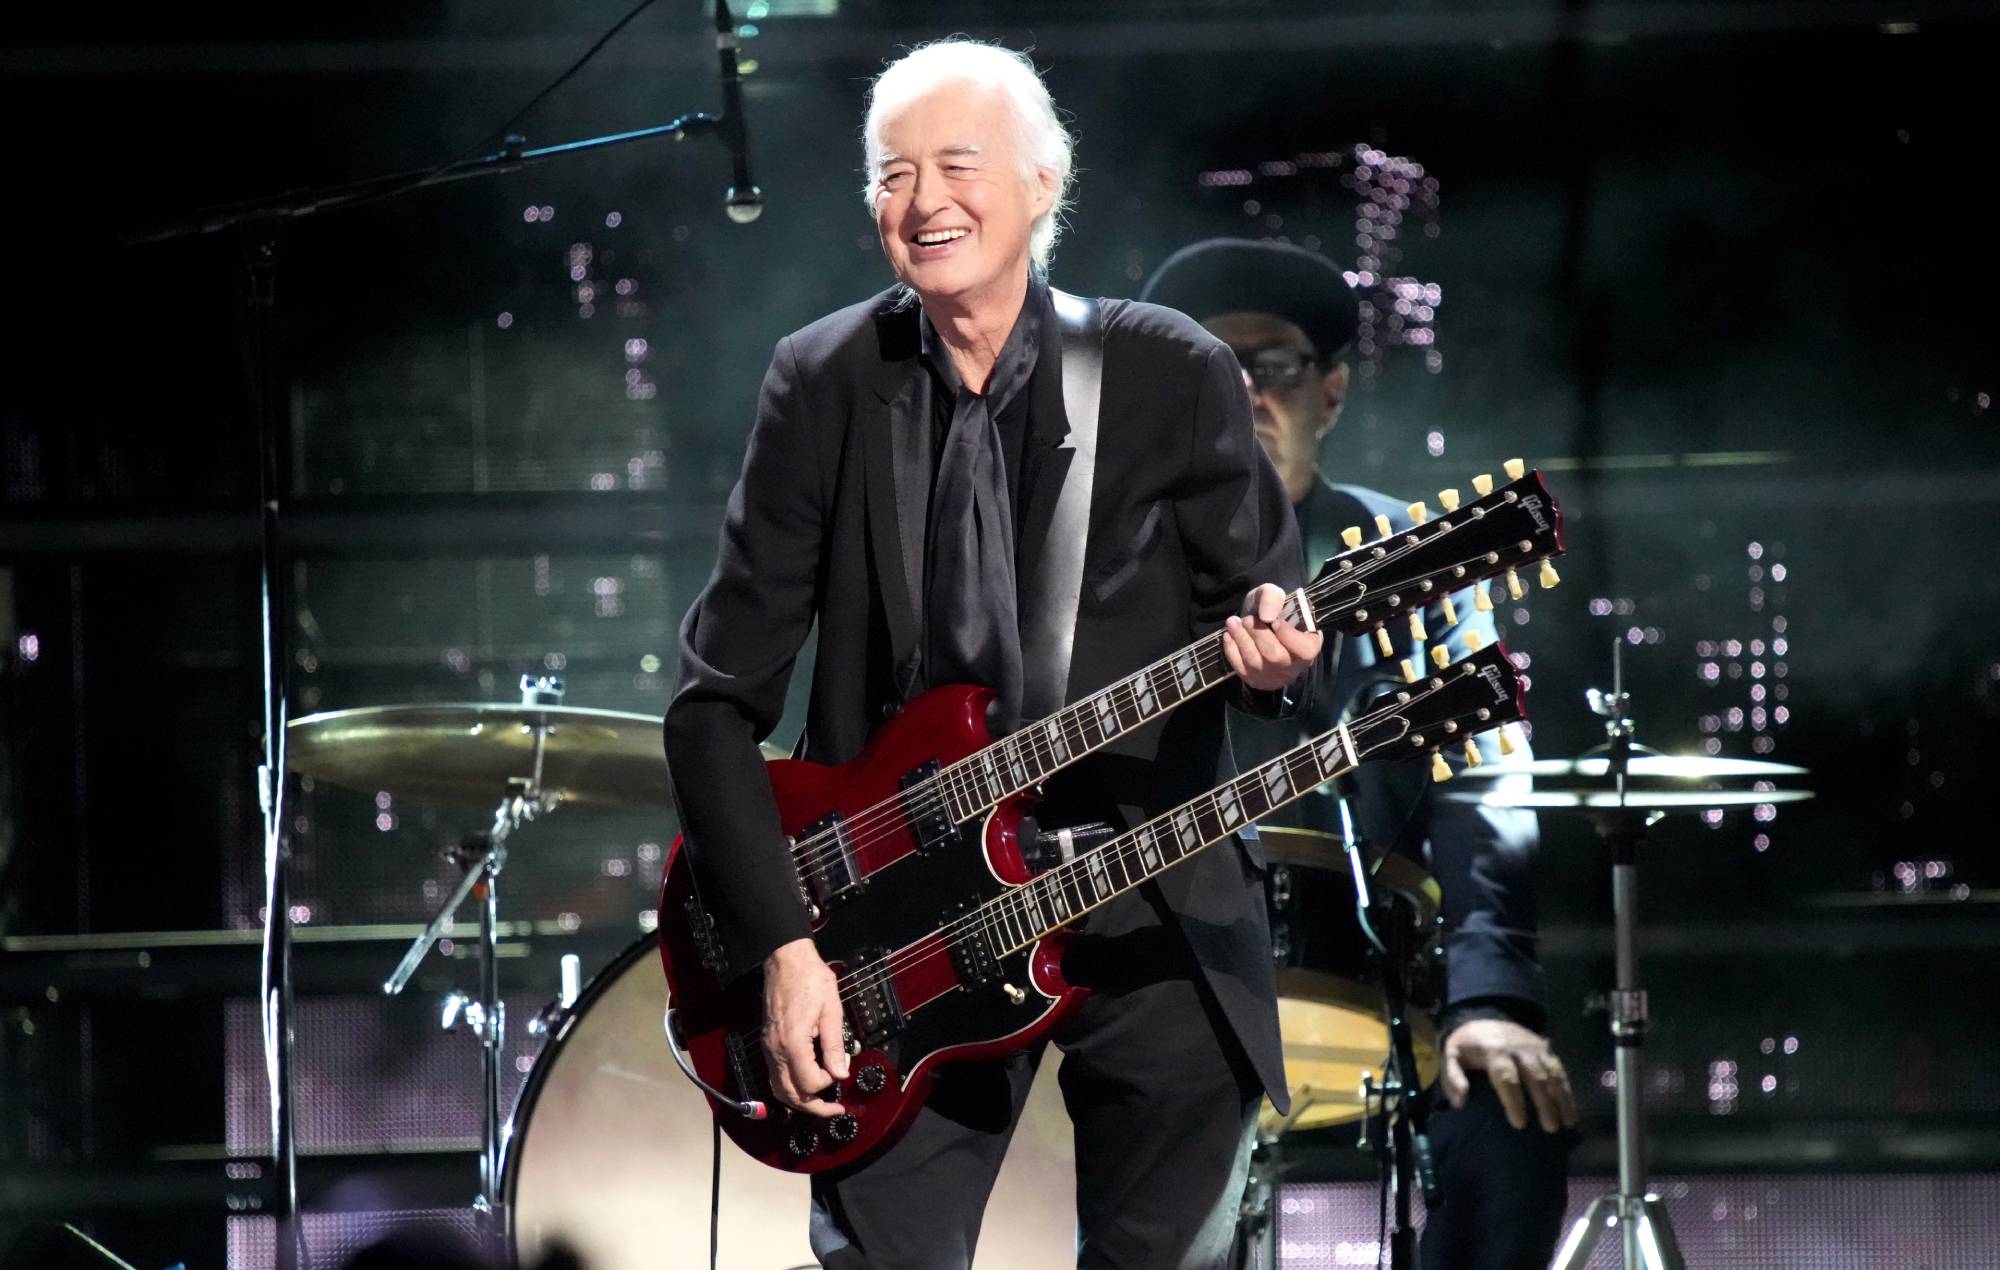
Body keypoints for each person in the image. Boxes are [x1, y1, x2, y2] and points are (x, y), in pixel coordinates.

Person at [662, 43, 1322, 1270]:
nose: (922, 202)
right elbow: (710, 710)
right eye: (890, 175)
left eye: (955, 165)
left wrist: (1279, 661)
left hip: (1141, 884)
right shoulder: (821, 382)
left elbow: (1273, 621)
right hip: (890, 925)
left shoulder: (1166, 369)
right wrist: (783, 951)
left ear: (1041, 182)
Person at [1142, 238, 1578, 1269]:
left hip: (1361, 975)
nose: (1243, 388)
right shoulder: (1107, 567)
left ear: (1329, 391)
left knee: (1511, 1120)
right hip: (1143, 981)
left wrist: (1489, 1001)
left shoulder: (1408, 560)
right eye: (1213, 364)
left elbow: (1481, 785)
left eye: (1273, 364)